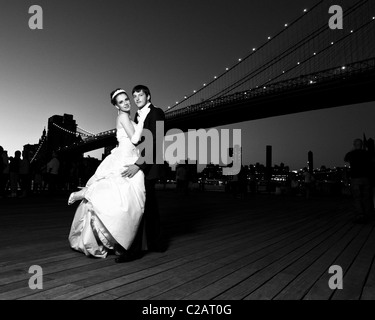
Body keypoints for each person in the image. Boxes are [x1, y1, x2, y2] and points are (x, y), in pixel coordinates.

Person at [68, 89, 149, 258]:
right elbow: (135, 138)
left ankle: (118, 241)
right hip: (125, 159)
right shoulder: (123, 117)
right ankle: (82, 194)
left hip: (130, 157)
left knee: (126, 201)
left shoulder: (128, 117)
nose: (126, 102)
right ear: (116, 106)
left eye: (127, 99)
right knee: (125, 200)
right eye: (121, 101)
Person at [117, 85, 165, 263]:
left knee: (139, 208)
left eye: (140, 95)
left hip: (148, 167)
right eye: (134, 95)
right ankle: (157, 243)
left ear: (148, 96)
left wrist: (138, 165)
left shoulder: (157, 113)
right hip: (140, 164)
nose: (136, 98)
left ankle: (134, 250)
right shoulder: (136, 116)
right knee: (149, 207)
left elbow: (156, 141)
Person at [344, 138, 373, 224]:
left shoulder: (351, 154)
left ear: (354, 145)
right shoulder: (367, 153)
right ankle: (367, 214)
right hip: (366, 178)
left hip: (355, 178)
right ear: (362, 145)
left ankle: (360, 215)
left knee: (357, 197)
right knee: (366, 197)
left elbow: (345, 159)